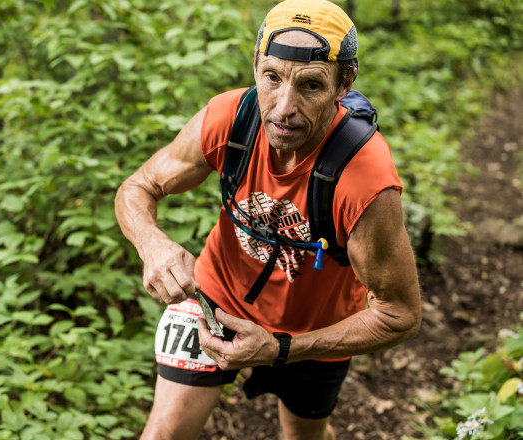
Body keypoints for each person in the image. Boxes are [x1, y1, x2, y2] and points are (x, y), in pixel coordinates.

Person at [115, 0, 421, 438]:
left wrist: (281, 349)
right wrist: (152, 244)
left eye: (311, 86)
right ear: (255, 64)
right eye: (272, 77)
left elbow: (400, 314)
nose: (283, 108)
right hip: (214, 300)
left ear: (344, 83)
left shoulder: (365, 178)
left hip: (316, 331)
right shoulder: (229, 119)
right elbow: (137, 187)